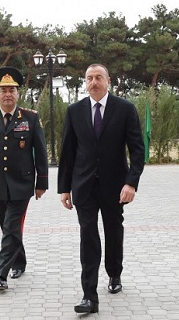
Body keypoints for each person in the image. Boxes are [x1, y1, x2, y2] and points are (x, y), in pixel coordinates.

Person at [58, 64, 145, 314]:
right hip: (83, 186)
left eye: (98, 78)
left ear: (109, 81)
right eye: (89, 78)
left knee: (113, 231)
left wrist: (131, 182)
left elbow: (137, 150)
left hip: (115, 186)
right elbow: (68, 152)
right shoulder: (74, 111)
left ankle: (114, 273)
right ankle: (89, 296)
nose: (93, 82)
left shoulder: (125, 109)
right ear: (85, 83)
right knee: (88, 237)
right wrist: (64, 188)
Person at [0, 66, 49, 291]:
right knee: (8, 228)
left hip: (22, 183)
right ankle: (20, 261)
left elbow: (41, 153)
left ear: (18, 93)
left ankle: (1, 274)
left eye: (12, 90)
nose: (7, 94)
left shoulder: (30, 118)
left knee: (12, 226)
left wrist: (41, 182)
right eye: (3, 90)